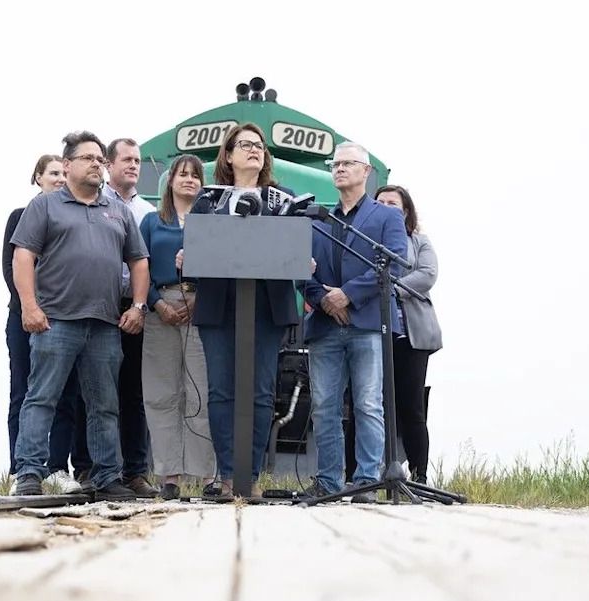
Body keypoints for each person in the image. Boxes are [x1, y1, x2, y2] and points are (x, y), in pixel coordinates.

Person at [9, 131, 151, 498]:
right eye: (88, 158)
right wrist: (29, 306)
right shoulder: (44, 207)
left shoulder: (118, 210)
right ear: (67, 164)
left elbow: (138, 260)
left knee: (105, 405)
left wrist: (137, 306)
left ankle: (107, 477)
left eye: (100, 159)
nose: (96, 164)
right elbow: (23, 257)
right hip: (55, 321)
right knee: (42, 398)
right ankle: (28, 474)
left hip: (105, 325)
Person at [187, 122, 299, 498]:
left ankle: (250, 478)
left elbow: (295, 248)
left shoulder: (284, 200)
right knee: (222, 391)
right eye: (245, 144)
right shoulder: (208, 199)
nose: (254, 150)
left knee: (262, 392)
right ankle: (229, 474)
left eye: (259, 146)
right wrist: (187, 257)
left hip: (266, 306)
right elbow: (196, 249)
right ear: (229, 155)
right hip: (220, 305)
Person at [303, 142, 409, 503]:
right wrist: (325, 300)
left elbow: (393, 264)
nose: (340, 169)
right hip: (324, 325)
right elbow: (301, 272)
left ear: (366, 172)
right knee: (324, 406)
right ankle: (329, 482)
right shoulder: (318, 219)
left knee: (367, 403)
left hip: (366, 323)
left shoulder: (386, 217)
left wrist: (347, 294)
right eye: (336, 164)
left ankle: (366, 480)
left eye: (348, 163)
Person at [139, 154, 215, 500]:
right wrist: (157, 303)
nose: (188, 180)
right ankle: (169, 474)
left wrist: (200, 300)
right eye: (182, 174)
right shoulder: (153, 223)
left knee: (199, 390)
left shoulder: (211, 223)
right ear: (170, 181)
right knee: (162, 393)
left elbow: (222, 265)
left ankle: (205, 474)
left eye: (195, 175)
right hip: (160, 310)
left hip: (201, 307)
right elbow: (140, 268)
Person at [2, 155, 78, 484]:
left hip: (65, 320)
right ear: (38, 178)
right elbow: (10, 268)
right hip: (24, 319)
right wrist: (31, 307)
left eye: (64, 173)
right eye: (53, 173)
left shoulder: (74, 219)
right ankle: (20, 467)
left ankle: (57, 467)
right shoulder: (20, 217)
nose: (60, 178)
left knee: (65, 395)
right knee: (23, 392)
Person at [98, 138, 158, 497]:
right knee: (96, 392)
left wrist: (139, 306)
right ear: (109, 163)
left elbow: (146, 263)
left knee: (134, 393)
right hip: (98, 306)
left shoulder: (148, 212)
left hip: (133, 307)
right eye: (127, 160)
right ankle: (93, 468)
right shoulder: (95, 202)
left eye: (137, 160)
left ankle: (135, 471)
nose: (134, 166)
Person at [375, 184, 442, 485]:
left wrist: (389, 285)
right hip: (375, 333)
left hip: (412, 335)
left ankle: (420, 474)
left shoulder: (420, 243)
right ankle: (364, 473)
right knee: (372, 402)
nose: (387, 207)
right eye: (381, 202)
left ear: (405, 212)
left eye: (393, 203)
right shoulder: (367, 240)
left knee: (411, 405)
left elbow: (427, 275)